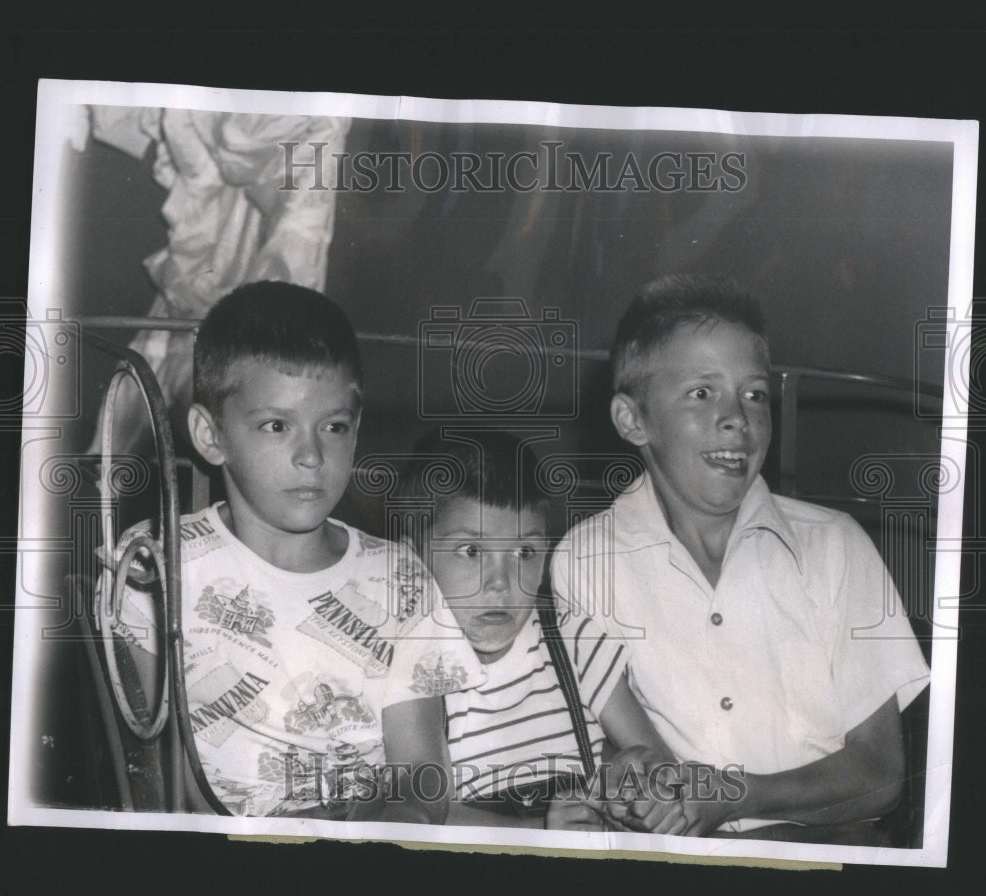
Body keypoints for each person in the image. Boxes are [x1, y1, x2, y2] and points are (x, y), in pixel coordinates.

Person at [551, 274, 931, 844]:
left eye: (754, 393)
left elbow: (881, 776)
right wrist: (635, 788)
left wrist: (736, 796)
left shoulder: (836, 545)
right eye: (702, 392)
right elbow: (624, 752)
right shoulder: (583, 563)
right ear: (633, 420)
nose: (738, 417)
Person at [99, 281, 484, 821]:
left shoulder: (398, 576)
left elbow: (423, 780)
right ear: (211, 436)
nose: (310, 455)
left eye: (334, 427)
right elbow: (167, 792)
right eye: (276, 425)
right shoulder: (156, 567)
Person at [396, 428, 634, 830]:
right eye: (471, 551)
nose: (501, 583)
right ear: (409, 560)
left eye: (524, 552)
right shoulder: (406, 677)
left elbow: (655, 761)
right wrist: (539, 833)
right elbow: (414, 814)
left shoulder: (570, 638)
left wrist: (640, 783)